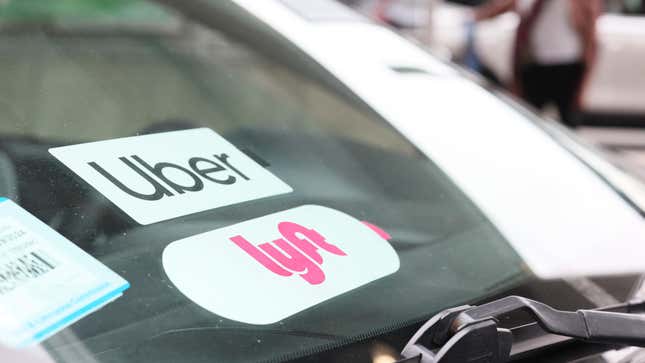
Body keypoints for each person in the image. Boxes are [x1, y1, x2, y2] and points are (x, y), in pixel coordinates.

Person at [474, 0, 602, 127]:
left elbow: (591, 37)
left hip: (567, 67)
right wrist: (474, 17)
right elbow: (503, 7)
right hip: (533, 66)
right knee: (526, 121)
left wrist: (583, 85)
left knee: (568, 123)